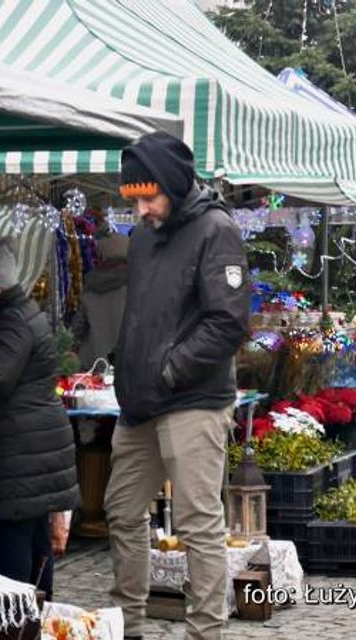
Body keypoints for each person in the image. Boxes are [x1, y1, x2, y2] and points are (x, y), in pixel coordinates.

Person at [105, 131, 250, 640]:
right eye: (135, 199)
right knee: (121, 512)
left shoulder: (217, 230)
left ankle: (204, 631)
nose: (142, 209)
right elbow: (143, 315)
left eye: (149, 197)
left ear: (173, 184)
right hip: (141, 402)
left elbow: (228, 322)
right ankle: (128, 626)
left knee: (197, 524)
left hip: (193, 399)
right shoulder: (145, 235)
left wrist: (169, 369)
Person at [0, 243, 79, 599]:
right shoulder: (20, 315)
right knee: (34, 546)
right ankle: (37, 617)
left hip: (20, 453)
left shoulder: (12, 322)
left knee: (11, 554)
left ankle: (19, 623)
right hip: (30, 449)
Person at [71, 232, 129, 368]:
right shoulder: (136, 283)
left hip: (94, 361)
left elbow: (78, 326)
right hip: (126, 362)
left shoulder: (91, 285)